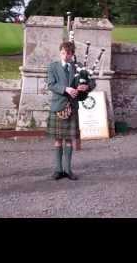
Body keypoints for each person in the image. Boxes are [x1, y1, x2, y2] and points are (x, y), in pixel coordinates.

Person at [46, 41, 95, 180]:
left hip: (72, 106)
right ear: (60, 52)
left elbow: (91, 81)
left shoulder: (78, 67)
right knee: (57, 140)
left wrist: (86, 87)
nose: (65, 56)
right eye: (63, 53)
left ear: (72, 54)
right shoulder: (53, 67)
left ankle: (68, 170)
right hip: (58, 106)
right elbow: (51, 84)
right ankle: (58, 170)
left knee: (69, 140)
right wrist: (66, 89)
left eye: (68, 53)